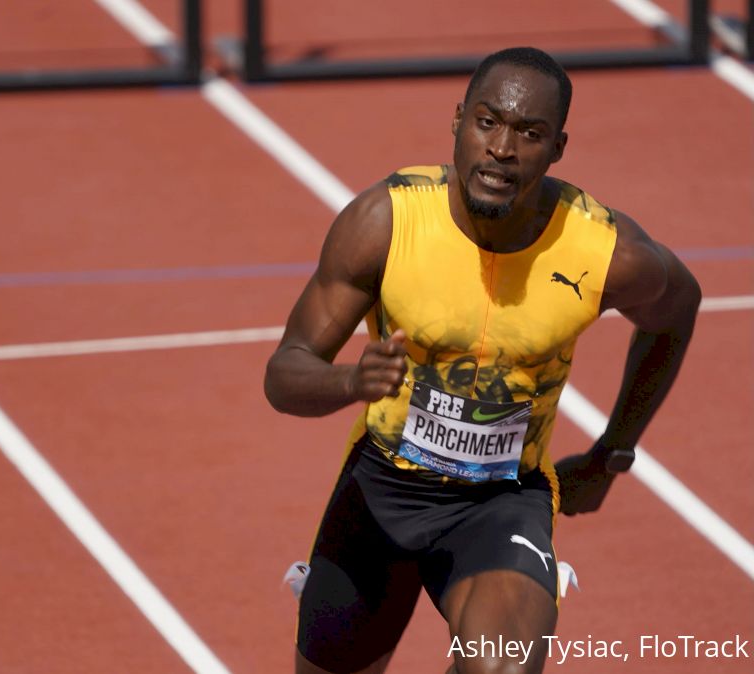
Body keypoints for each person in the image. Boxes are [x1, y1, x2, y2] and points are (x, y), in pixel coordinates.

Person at [264, 46, 699, 674]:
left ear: (558, 148)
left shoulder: (605, 251)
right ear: (458, 121)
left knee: (502, 666)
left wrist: (613, 453)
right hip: (381, 487)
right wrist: (349, 379)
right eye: (488, 122)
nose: (502, 147)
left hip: (502, 500)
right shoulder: (386, 222)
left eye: (529, 132)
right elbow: (284, 374)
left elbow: (677, 313)